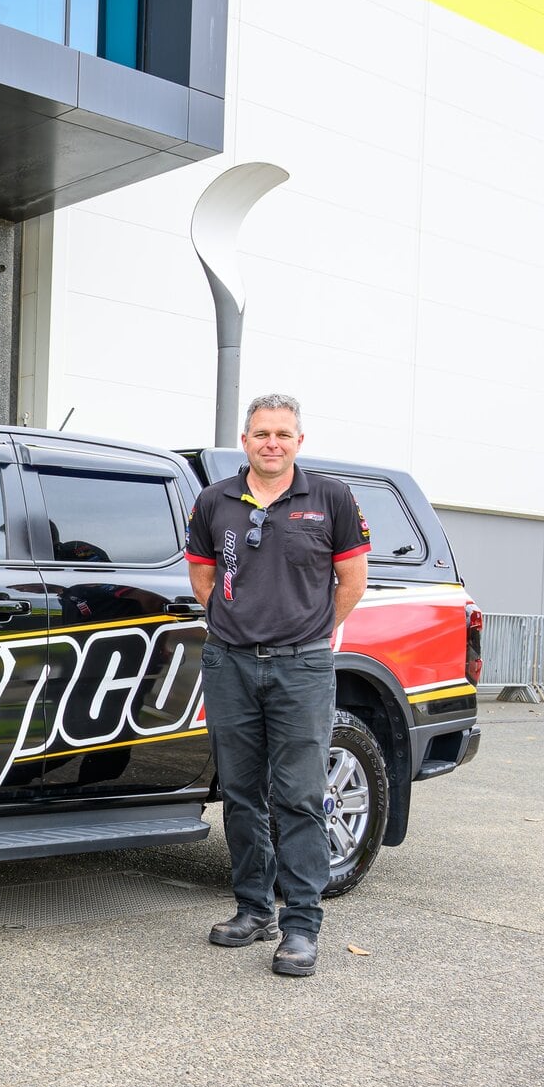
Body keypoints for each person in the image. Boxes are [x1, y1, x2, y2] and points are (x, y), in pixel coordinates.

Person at [184, 393, 369, 977]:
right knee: (240, 793)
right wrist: (241, 627)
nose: (272, 443)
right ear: (245, 441)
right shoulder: (215, 501)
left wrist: (305, 633)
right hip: (230, 664)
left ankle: (301, 927)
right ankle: (253, 908)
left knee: (298, 795)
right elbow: (203, 576)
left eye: (283, 434)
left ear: (298, 442)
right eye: (262, 433)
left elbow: (351, 580)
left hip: (302, 669)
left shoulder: (331, 499)